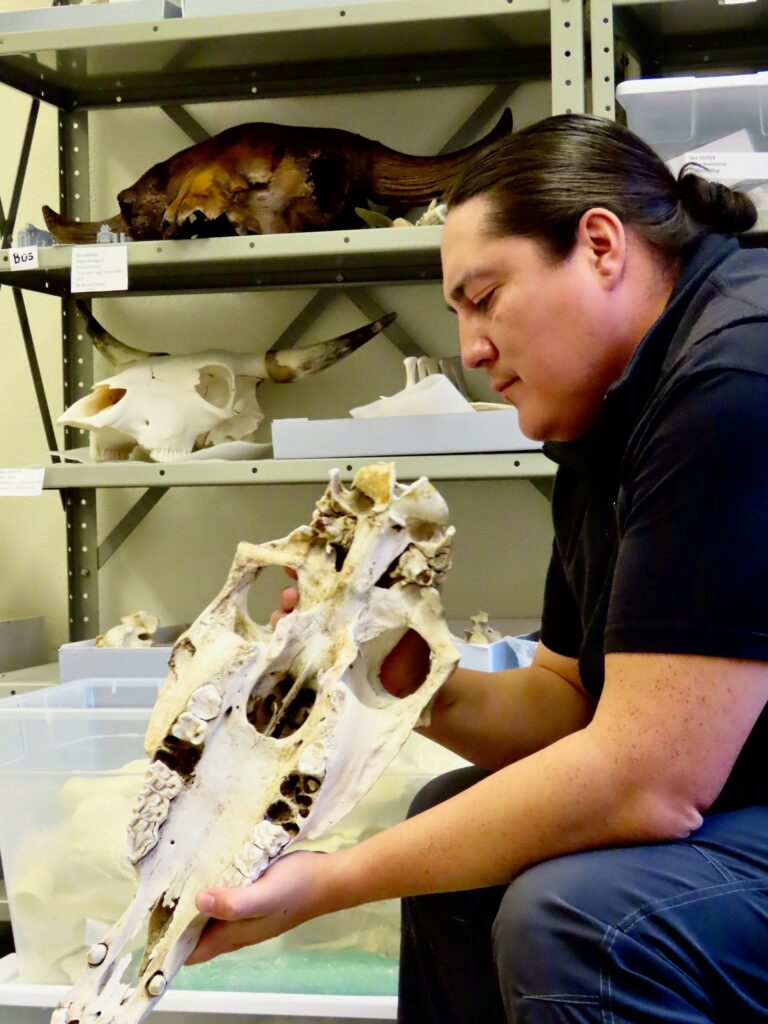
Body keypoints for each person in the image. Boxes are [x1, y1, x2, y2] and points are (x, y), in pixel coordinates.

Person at [188, 114, 768, 1022]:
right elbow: (571, 703)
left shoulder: (737, 376)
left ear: (602, 245)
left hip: (727, 803)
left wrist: (329, 883)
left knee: (579, 920)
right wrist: (402, 668)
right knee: (450, 830)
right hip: (738, 799)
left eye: (485, 297)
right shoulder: (607, 413)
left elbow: (646, 778)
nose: (469, 349)